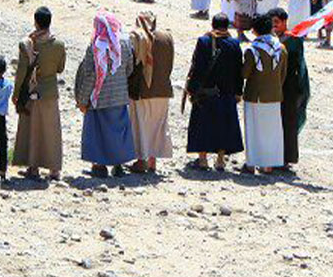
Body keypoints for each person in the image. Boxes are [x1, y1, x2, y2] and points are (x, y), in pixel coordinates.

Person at [73, 11, 136, 178]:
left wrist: (82, 99)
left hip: (99, 97)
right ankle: (118, 165)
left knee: (97, 132)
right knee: (118, 132)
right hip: (119, 96)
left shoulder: (95, 46)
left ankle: (99, 166)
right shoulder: (124, 43)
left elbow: (90, 75)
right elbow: (130, 68)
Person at [184, 14, 244, 171]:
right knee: (224, 125)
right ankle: (220, 160)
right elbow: (239, 71)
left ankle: (203, 159)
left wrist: (191, 88)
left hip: (206, 92)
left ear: (212, 24)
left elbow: (197, 67)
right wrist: (238, 92)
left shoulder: (204, 41)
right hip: (226, 92)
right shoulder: (235, 44)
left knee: (202, 124)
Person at [12, 7, 65, 181]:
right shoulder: (58, 45)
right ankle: (54, 169)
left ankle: (33, 168)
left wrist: (16, 92)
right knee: (51, 131)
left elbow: (21, 71)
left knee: (32, 129)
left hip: (31, 91)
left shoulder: (28, 44)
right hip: (50, 92)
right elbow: (60, 68)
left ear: (36, 22)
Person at [239, 12, 288, 174]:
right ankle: (268, 164)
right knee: (272, 131)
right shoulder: (281, 48)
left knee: (254, 130)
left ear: (254, 30)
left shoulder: (252, 50)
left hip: (255, 95)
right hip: (274, 95)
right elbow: (283, 74)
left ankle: (252, 163)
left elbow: (244, 74)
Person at [128, 13, 176, 174]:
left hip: (143, 90)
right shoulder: (166, 36)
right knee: (157, 126)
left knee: (141, 125)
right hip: (163, 89)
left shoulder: (137, 38)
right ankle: (152, 161)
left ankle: (141, 161)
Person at [276, 6, 310, 172]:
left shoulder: (293, 40)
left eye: (277, 22)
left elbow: (299, 65)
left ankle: (286, 158)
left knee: (288, 123)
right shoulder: (273, 39)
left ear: (284, 22)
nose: (274, 26)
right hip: (275, 86)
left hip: (289, 87)